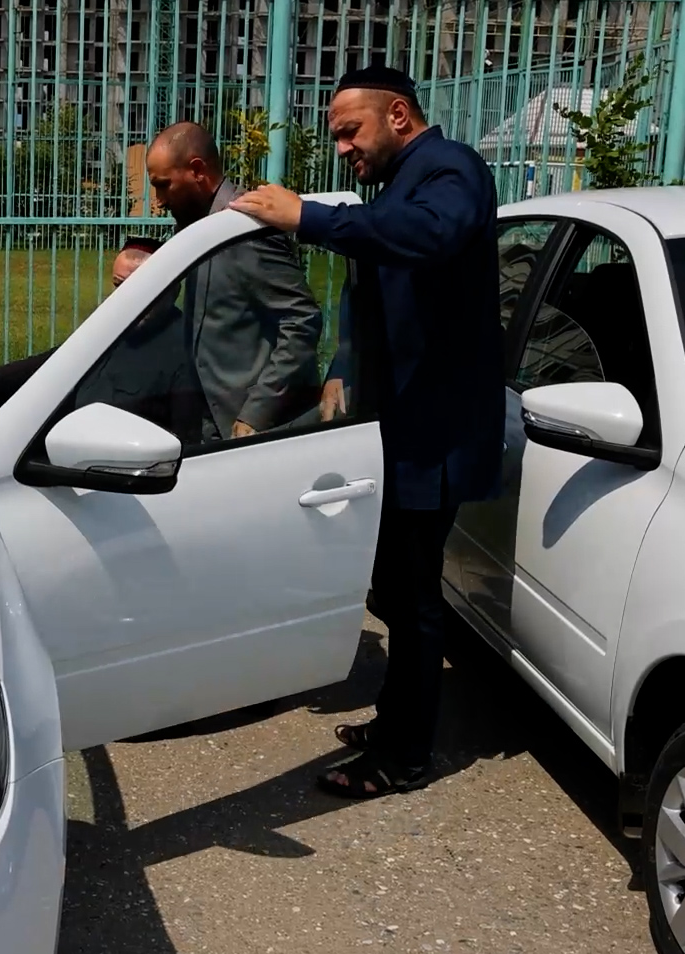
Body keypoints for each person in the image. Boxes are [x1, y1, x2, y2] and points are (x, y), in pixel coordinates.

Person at [232, 65, 504, 799]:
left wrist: (309, 218)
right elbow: (375, 284)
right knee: (393, 586)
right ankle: (394, 720)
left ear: (400, 115)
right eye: (338, 136)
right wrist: (340, 368)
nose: (344, 147)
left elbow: (430, 237)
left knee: (414, 601)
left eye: (352, 131)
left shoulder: (452, 171)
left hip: (434, 438)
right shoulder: (399, 188)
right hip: (397, 430)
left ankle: (405, 755)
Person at [144, 122, 325, 440]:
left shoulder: (245, 229)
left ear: (197, 170)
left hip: (259, 434)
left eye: (163, 185)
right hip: (212, 424)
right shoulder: (199, 227)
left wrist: (257, 413)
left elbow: (301, 320)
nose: (158, 200)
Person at [0, 244, 204, 438]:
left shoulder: (183, 351)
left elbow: (186, 447)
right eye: (118, 286)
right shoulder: (110, 326)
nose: (124, 297)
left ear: (170, 290)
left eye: (137, 288)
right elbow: (55, 364)